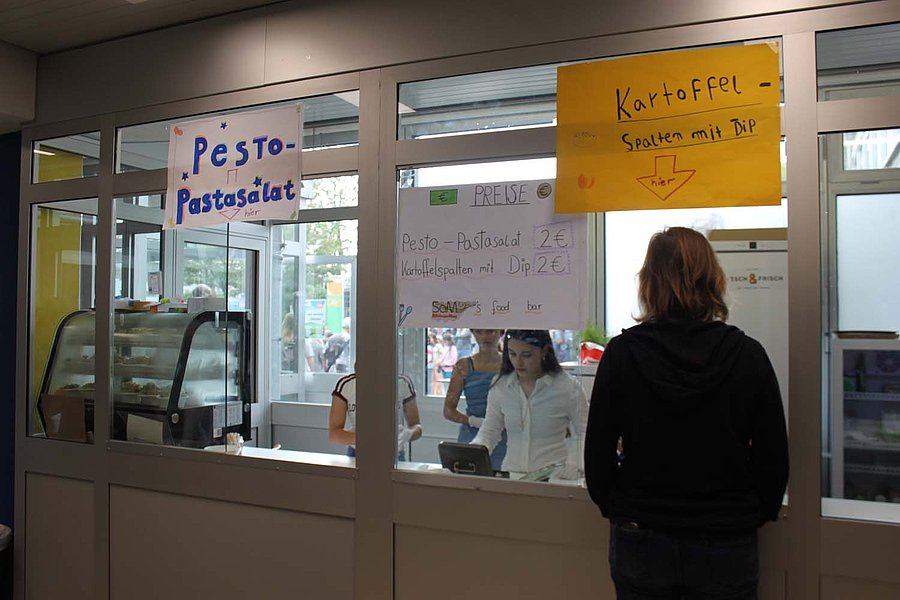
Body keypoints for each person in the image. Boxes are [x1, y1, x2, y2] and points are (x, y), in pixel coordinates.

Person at [584, 227, 789, 600]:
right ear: (713, 280)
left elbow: (597, 453)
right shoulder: (747, 354)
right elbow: (773, 456)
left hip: (642, 530)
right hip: (725, 533)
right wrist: (751, 512)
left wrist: (618, 506)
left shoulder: (623, 353)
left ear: (649, 282)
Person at [471, 329, 587, 476]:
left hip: (554, 477)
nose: (518, 362)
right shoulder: (501, 385)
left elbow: (585, 431)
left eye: (527, 355)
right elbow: (490, 430)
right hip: (512, 474)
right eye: (512, 354)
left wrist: (574, 465)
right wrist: (472, 455)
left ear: (544, 351)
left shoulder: (567, 387)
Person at [443, 328, 507, 470]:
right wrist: (473, 421)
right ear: (473, 333)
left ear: (501, 333)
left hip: (506, 435)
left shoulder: (511, 365)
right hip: (471, 434)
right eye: (479, 332)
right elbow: (448, 410)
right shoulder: (463, 365)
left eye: (490, 332)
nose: (485, 337)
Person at [328, 364, 423, 459]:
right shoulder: (346, 385)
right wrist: (368, 438)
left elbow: (417, 426)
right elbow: (334, 434)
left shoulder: (402, 383)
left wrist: (407, 434)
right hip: (358, 453)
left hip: (394, 454)